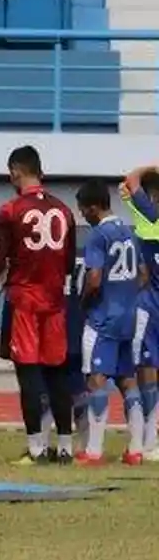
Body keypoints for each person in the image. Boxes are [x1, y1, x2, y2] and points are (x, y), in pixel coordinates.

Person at [0, 145, 78, 465]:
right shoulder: (64, 210)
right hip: (54, 299)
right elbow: (67, 263)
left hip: (24, 298)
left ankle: (37, 447)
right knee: (57, 373)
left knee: (28, 372)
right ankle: (65, 446)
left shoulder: (10, 210)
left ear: (14, 171)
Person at [75, 180, 148, 466]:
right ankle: (136, 449)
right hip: (128, 318)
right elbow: (142, 274)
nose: (83, 215)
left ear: (94, 207)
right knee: (128, 381)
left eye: (83, 210)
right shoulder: (129, 232)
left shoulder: (98, 235)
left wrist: (84, 303)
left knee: (96, 380)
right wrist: (126, 296)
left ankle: (93, 450)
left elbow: (93, 279)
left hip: (103, 319)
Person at [121, 163, 159, 459]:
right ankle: (150, 436)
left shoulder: (146, 216)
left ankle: (149, 436)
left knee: (144, 369)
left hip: (149, 303)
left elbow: (131, 179)